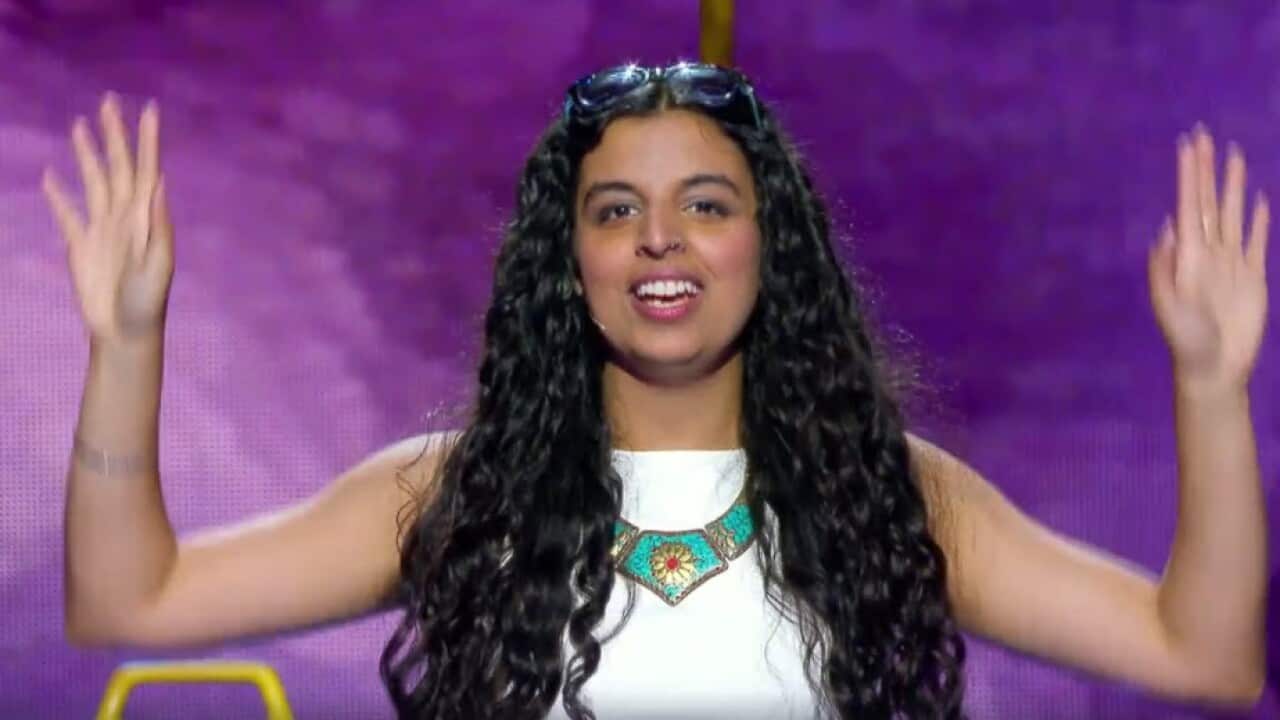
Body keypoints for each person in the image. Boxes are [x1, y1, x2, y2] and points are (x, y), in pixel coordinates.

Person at [44, 62, 1269, 719]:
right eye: (616, 209)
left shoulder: (887, 496)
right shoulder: (457, 494)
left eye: (706, 205)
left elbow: (1203, 657)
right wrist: (129, 341)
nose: (659, 240)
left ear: (769, 248)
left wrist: (1211, 386)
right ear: (567, 261)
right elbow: (129, 601)